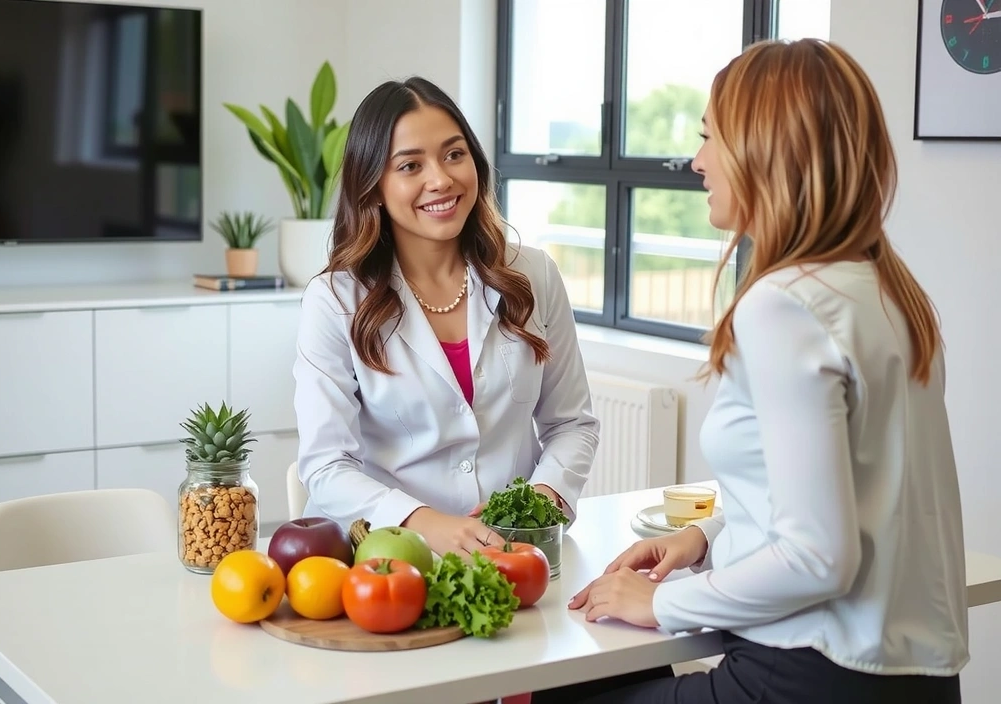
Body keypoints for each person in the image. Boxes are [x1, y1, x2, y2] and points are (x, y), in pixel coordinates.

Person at [532, 38, 968, 704]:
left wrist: (662, 606)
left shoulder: (783, 305)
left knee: (565, 686)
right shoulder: (885, 290)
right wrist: (706, 537)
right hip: (916, 683)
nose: (698, 161)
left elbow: (819, 556)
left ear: (767, 150)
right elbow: (840, 490)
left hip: (808, 678)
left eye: (711, 137)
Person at [292, 76, 600, 561]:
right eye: (411, 165)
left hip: (513, 557)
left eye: (454, 155)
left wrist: (544, 500)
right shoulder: (335, 300)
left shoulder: (533, 274)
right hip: (385, 566)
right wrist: (423, 524)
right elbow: (327, 464)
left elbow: (571, 424)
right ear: (372, 186)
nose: (441, 179)